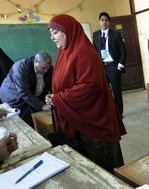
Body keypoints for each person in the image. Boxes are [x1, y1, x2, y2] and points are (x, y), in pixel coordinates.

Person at [46, 14, 127, 173]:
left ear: (68, 31)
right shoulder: (64, 53)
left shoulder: (84, 52)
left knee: (104, 169)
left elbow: (89, 87)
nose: (52, 38)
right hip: (77, 119)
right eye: (51, 33)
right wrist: (53, 97)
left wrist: (58, 98)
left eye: (55, 33)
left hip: (93, 121)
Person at [0, 52, 53, 126]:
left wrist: (49, 96)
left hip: (29, 94)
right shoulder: (21, 67)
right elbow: (24, 92)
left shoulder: (48, 68)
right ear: (36, 61)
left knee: (35, 113)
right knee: (21, 119)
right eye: (43, 68)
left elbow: (49, 85)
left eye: (48, 68)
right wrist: (41, 106)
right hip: (12, 95)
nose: (46, 71)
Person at [93, 12, 127, 117]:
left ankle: (119, 113)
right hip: (102, 67)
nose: (104, 22)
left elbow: (124, 51)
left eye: (106, 20)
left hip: (113, 66)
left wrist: (119, 66)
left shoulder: (116, 35)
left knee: (116, 91)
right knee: (104, 91)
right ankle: (108, 112)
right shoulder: (95, 35)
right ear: (99, 22)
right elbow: (94, 51)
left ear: (109, 22)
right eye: (102, 20)